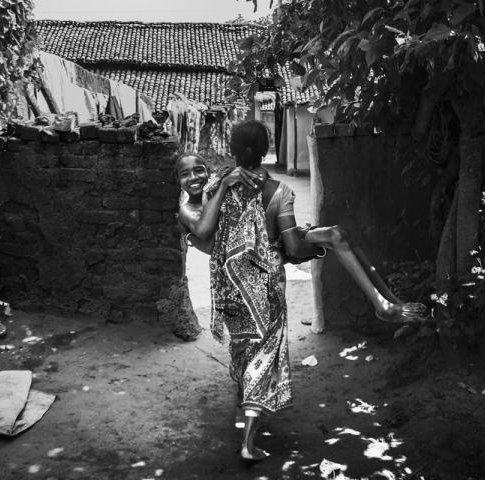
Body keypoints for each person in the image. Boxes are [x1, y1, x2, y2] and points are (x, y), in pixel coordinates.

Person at [175, 121, 426, 461]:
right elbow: (292, 247)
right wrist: (313, 247)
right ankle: (248, 443)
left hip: (230, 286)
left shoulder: (216, 186)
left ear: (231, 151)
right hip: (265, 285)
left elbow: (208, 232)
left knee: (243, 348)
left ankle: (242, 406)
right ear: (266, 150)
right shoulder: (279, 191)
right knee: (264, 356)